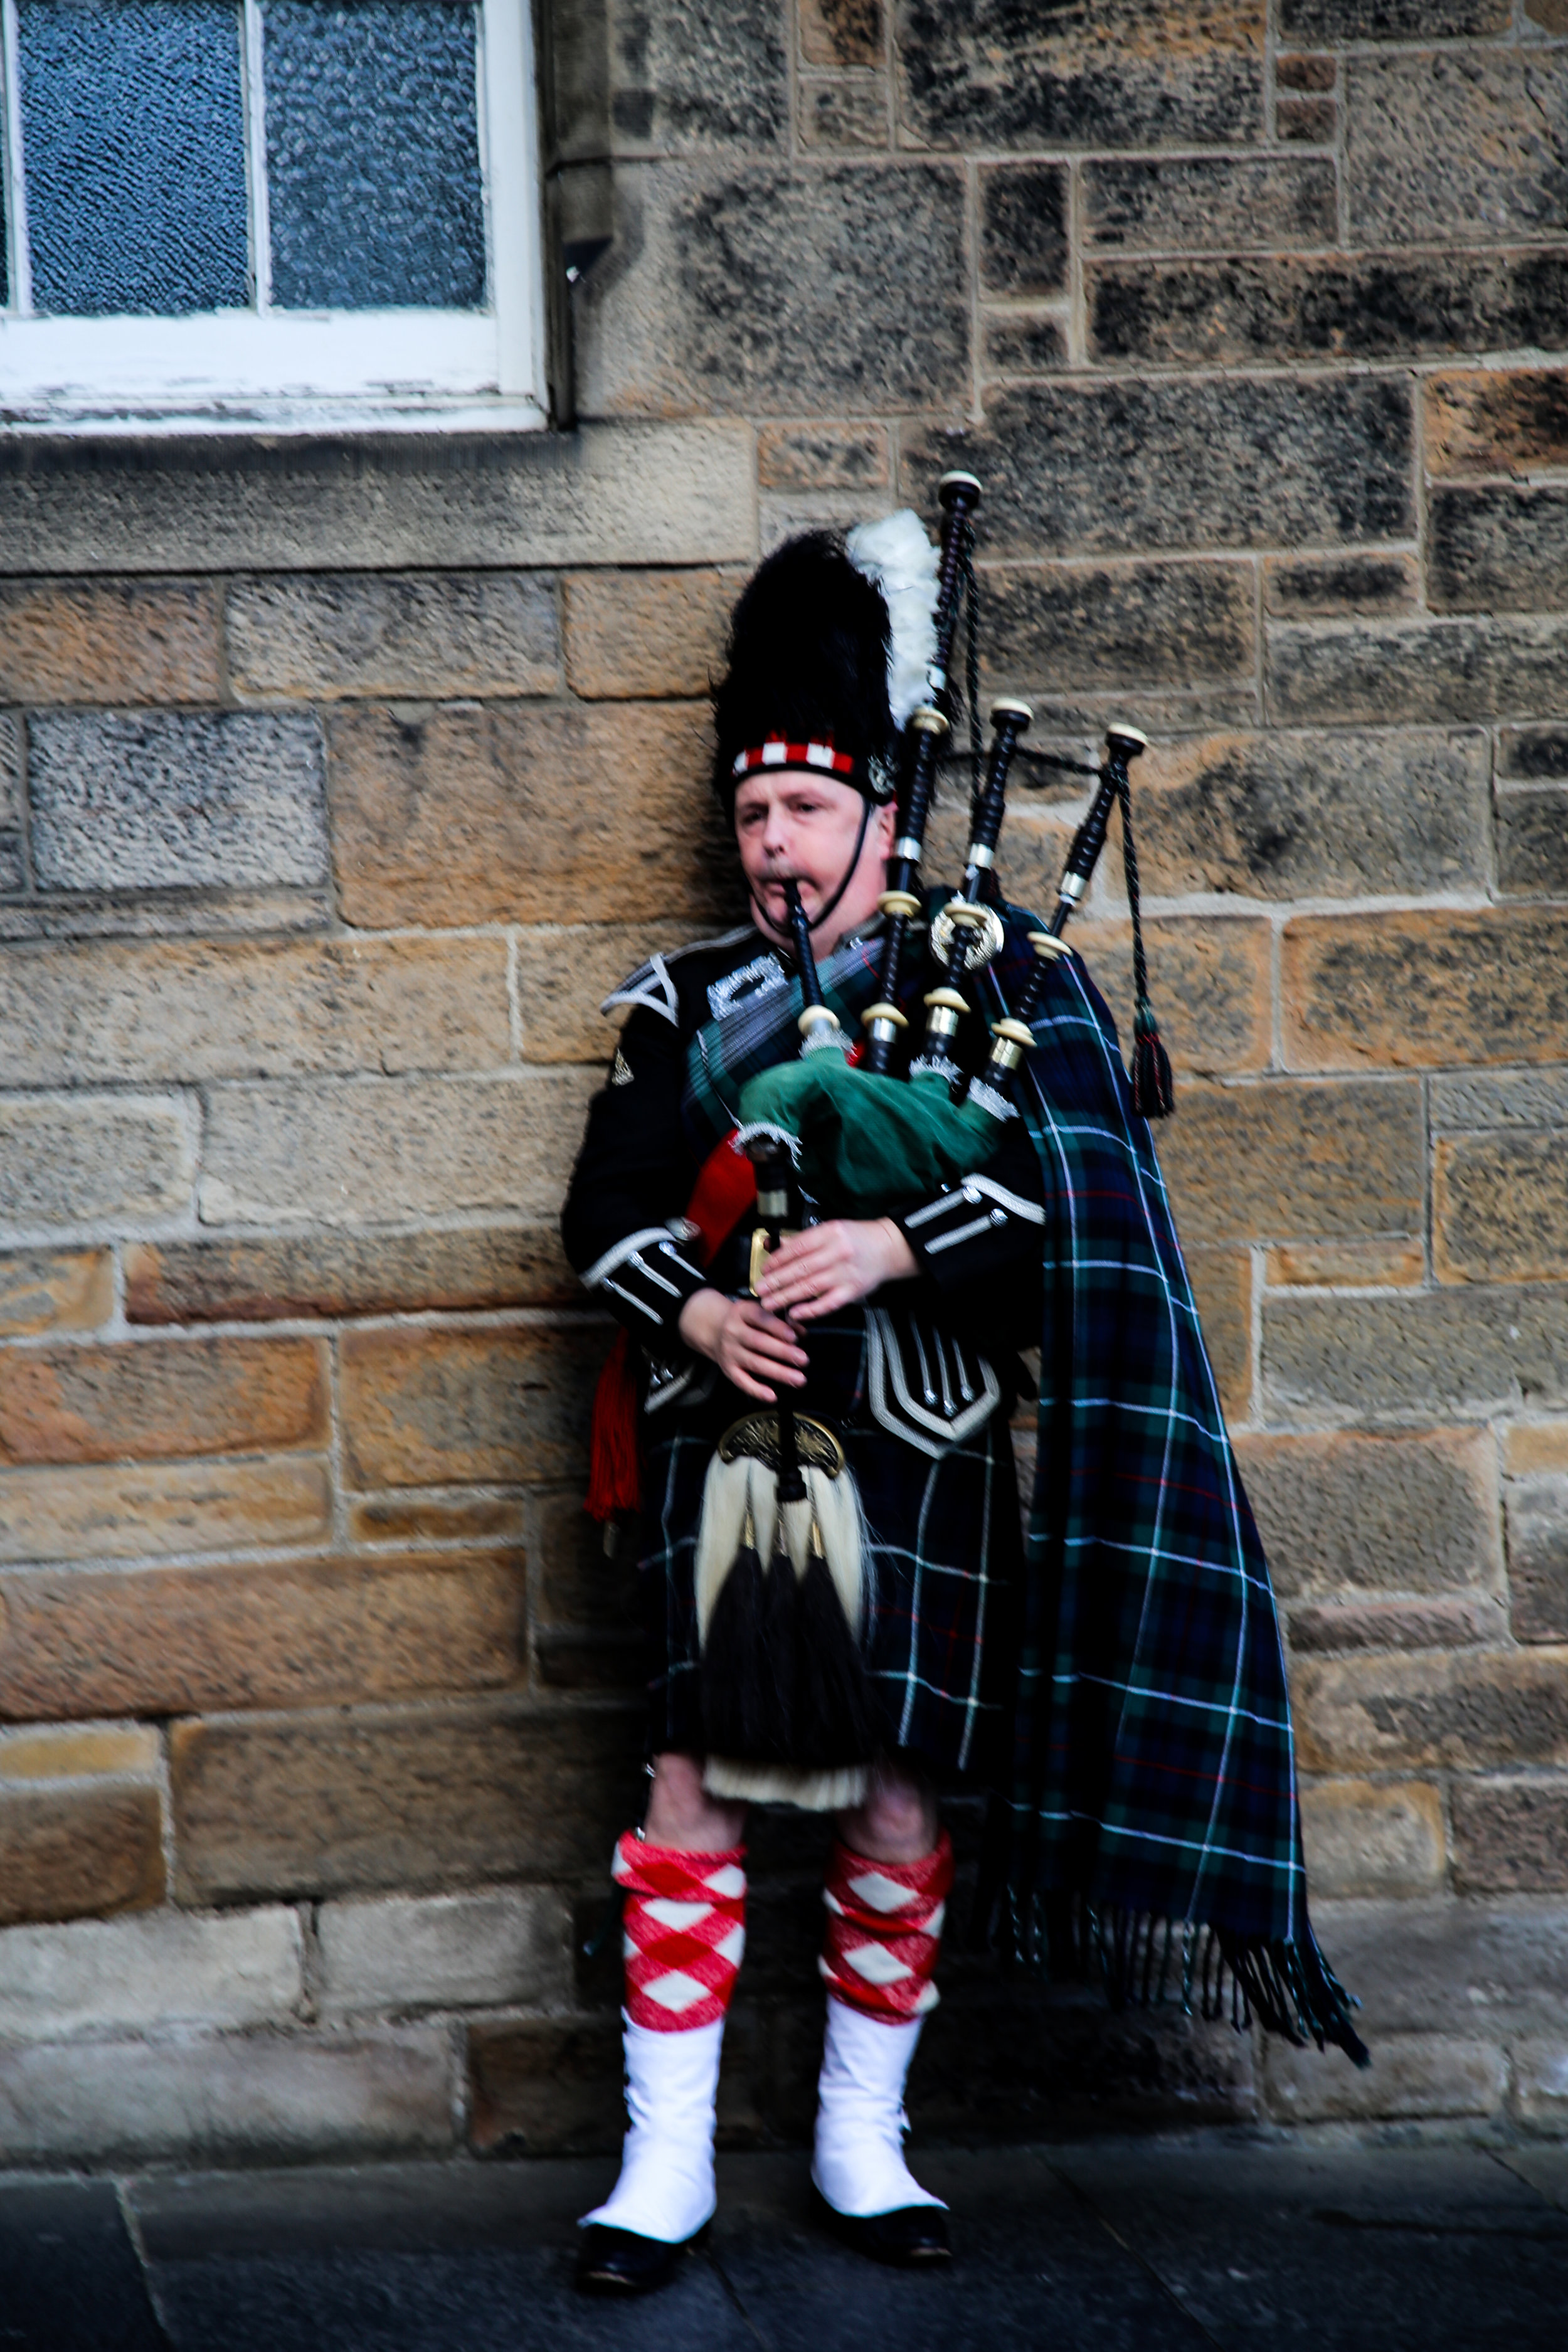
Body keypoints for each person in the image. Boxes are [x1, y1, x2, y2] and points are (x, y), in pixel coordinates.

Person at [560, 524, 1364, 2296]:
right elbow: (601, 1212)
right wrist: (694, 1297)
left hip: (915, 1450)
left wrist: (886, 1244)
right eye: (750, 816)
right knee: (688, 1778)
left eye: (803, 811)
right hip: (728, 1449)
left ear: (876, 814)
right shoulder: (680, 1004)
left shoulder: (989, 986)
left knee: (902, 1800)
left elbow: (1066, 1222)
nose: (770, 843)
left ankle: (863, 2142)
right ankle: (663, 2164)